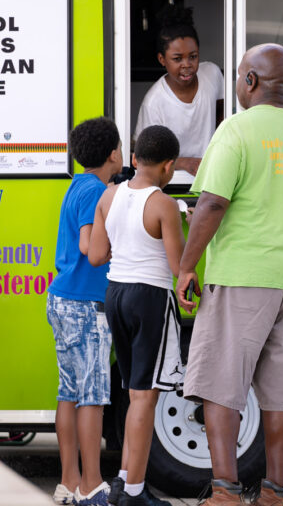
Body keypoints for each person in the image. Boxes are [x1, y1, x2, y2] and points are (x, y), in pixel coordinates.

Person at [176, 43, 283, 506]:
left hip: (244, 276)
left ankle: (226, 492)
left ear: (250, 82)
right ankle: (275, 493)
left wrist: (187, 266)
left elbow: (210, 202)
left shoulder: (236, 130)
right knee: (281, 394)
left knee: (221, 387)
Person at [88, 125, 186, 506]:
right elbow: (179, 267)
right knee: (146, 397)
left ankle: (125, 481)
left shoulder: (108, 196)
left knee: (134, 392)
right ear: (169, 166)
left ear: (132, 159)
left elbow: (96, 255)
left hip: (116, 295)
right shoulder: (163, 204)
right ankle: (133, 493)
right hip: (150, 298)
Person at [47, 117, 123, 506]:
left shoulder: (78, 185)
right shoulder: (97, 191)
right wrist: (117, 247)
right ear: (113, 153)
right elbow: (86, 245)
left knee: (69, 392)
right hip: (84, 305)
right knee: (92, 395)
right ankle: (93, 485)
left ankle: (69, 482)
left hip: (61, 299)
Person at [134, 3, 225, 176]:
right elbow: (146, 157)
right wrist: (184, 163)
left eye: (193, 57)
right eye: (177, 59)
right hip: (171, 183)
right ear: (162, 59)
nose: (187, 65)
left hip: (212, 178)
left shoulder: (212, 73)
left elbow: (222, 112)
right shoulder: (154, 102)